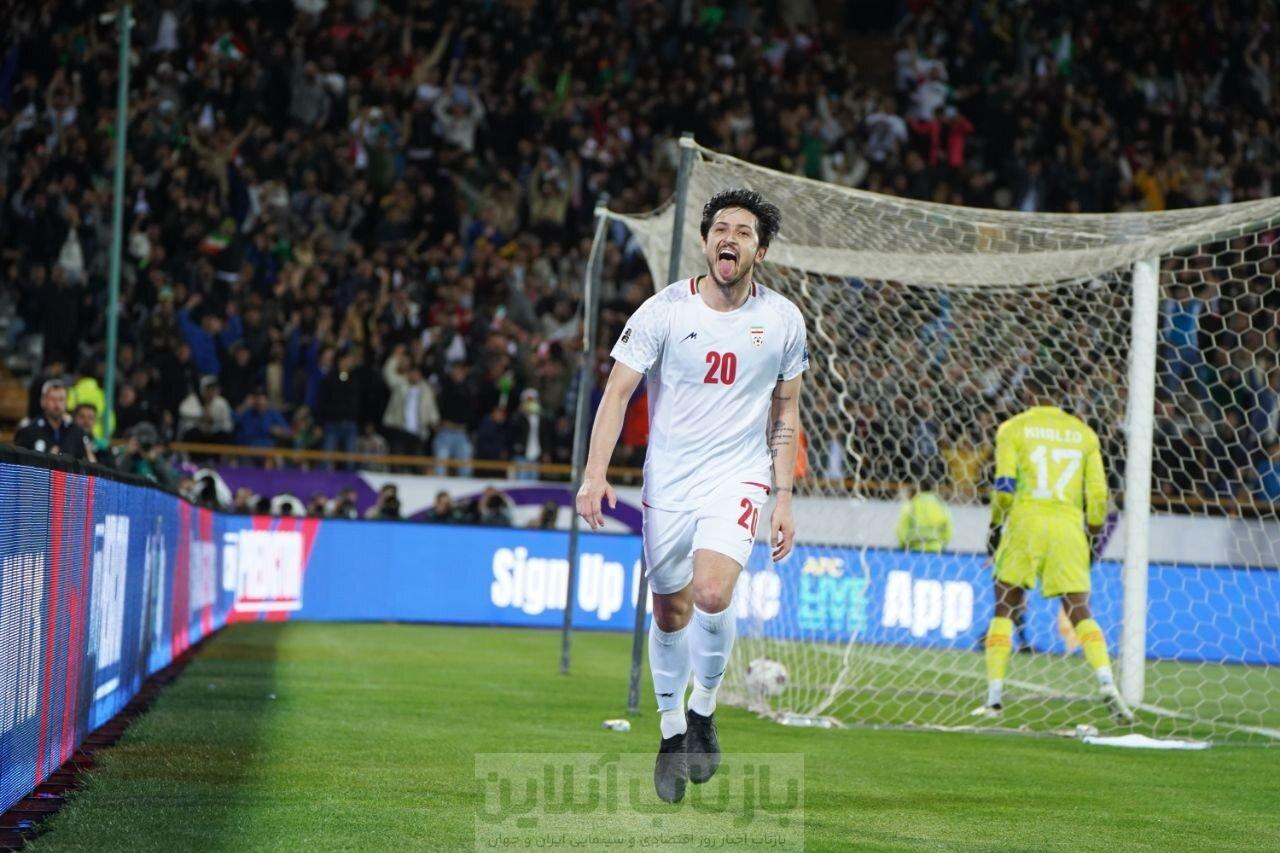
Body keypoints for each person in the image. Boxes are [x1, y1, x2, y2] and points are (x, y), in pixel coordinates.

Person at [576, 188, 807, 803]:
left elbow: (786, 409)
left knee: (711, 593)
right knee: (670, 612)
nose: (730, 238)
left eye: (744, 231)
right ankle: (672, 729)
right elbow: (617, 393)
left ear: (760, 250)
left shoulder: (783, 320)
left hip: (738, 475)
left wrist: (782, 497)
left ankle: (704, 708)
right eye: (720, 229)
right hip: (670, 482)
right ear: (706, 243)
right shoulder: (664, 312)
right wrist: (595, 474)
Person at [974, 368, 1134, 724]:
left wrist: (995, 528)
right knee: (1079, 611)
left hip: (1025, 524)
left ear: (1028, 394)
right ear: (1062, 395)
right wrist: (1090, 536)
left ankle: (994, 699)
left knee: (1004, 607)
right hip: (1067, 528)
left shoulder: (1013, 428)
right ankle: (1107, 682)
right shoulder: (1084, 434)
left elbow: (1004, 489)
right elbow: (1098, 496)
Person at [15, 379, 93, 461]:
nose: (57, 404)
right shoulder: (29, 430)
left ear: (67, 402)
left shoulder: (76, 432)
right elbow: (19, 461)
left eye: (61, 399)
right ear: (43, 401)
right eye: (52, 399)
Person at [895, 479, 953, 552]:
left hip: (913, 549)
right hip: (936, 548)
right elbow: (948, 531)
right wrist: (942, 546)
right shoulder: (942, 506)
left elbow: (902, 529)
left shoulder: (910, 506)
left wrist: (902, 545)